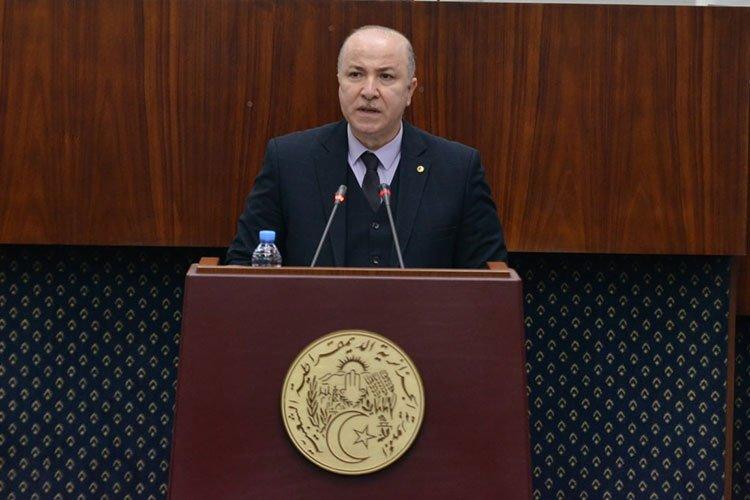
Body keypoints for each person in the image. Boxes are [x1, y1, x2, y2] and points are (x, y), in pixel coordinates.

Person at [226, 25, 507, 268]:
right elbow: (244, 263)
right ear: (339, 83)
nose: (369, 91)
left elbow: (489, 281)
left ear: (410, 90)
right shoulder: (289, 161)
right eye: (356, 74)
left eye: (386, 76)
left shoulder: (457, 170)